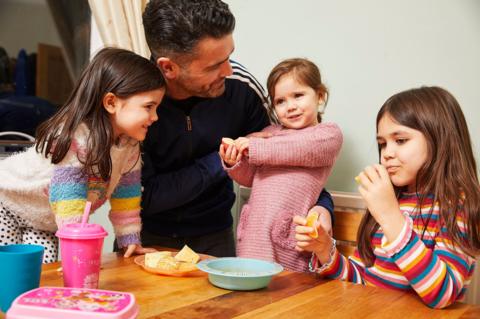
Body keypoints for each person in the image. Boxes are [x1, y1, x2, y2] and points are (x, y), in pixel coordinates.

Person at [140, 0, 335, 257]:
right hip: (144, 241)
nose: (229, 70)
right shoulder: (135, 99)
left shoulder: (242, 87)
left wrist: (323, 205)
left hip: (216, 239)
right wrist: (223, 158)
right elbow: (144, 197)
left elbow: (288, 164)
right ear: (168, 68)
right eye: (213, 66)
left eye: (228, 56)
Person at [294, 86, 480, 308]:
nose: (387, 153)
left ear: (439, 139)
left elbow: (442, 294)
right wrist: (324, 250)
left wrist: (391, 216)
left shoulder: (457, 205)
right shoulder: (389, 202)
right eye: (382, 144)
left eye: (400, 140)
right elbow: (361, 281)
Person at [0, 47, 164, 262]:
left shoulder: (130, 146)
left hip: (43, 220)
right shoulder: (75, 138)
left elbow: (127, 195)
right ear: (111, 102)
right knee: (8, 275)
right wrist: (76, 252)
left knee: (40, 276)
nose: (155, 117)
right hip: (6, 204)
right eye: (149, 107)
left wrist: (129, 239)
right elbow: (69, 200)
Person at [219, 58, 342, 271]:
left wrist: (254, 145)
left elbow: (295, 148)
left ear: (320, 96)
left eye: (298, 96)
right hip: (254, 234)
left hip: (286, 236)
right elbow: (250, 177)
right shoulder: (268, 134)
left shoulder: (326, 135)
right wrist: (235, 161)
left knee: (285, 291)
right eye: (280, 101)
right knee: (248, 287)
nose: (290, 107)